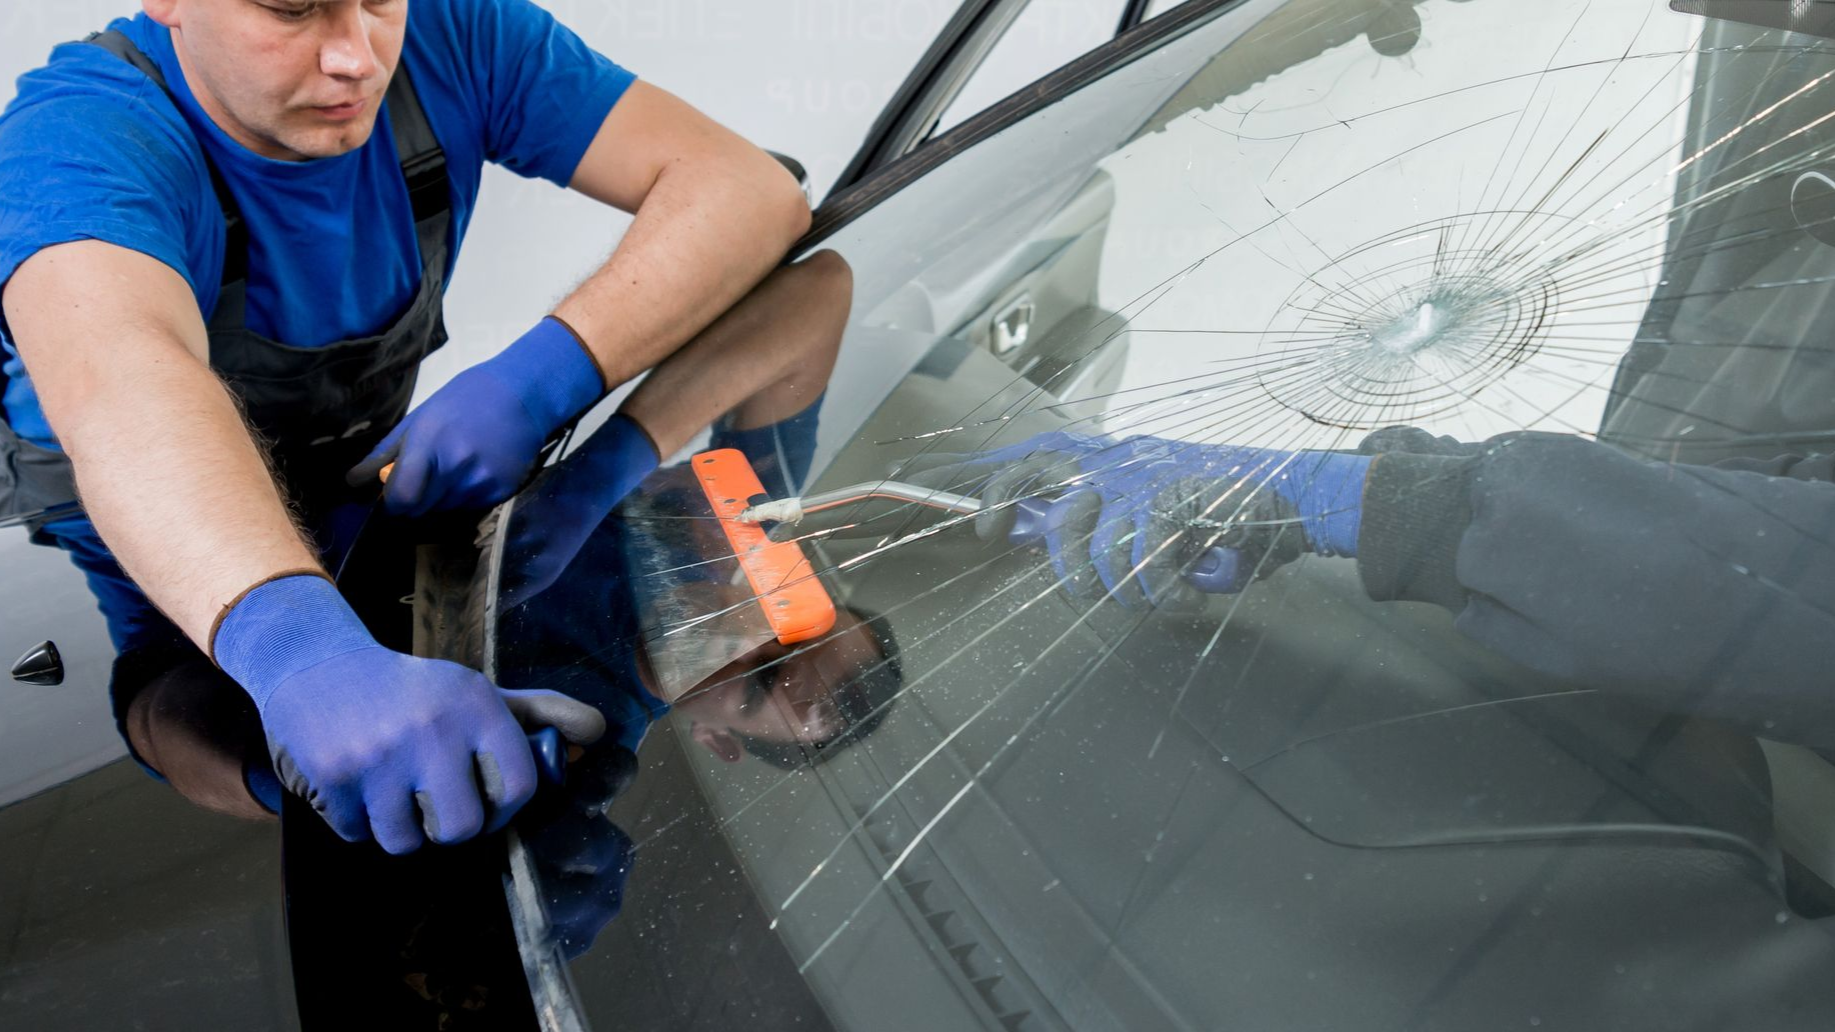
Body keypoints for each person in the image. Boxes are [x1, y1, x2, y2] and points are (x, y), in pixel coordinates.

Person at [0, 0, 811, 852]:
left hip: (364, 507)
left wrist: (541, 381)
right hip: (174, 570)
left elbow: (746, 190)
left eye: (381, 0)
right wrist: (299, 653)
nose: (357, 56)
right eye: (292, 8)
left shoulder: (454, 35)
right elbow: (125, 382)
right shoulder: (74, 139)